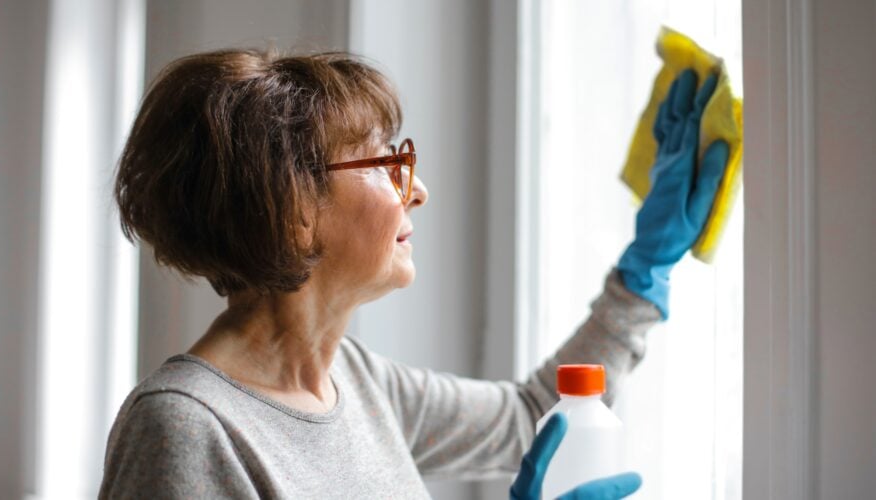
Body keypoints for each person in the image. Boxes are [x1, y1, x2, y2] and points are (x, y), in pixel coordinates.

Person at [99, 48, 726, 499]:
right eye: (384, 162)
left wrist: (644, 271)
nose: (418, 190)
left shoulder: (359, 382)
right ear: (293, 209)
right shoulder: (186, 428)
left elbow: (532, 417)